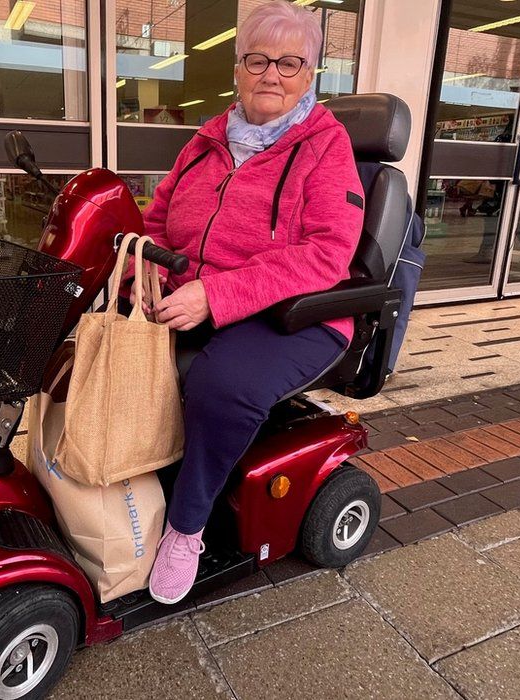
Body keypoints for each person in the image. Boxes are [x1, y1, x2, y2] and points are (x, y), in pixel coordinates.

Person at [129, 1, 364, 604]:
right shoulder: (204, 142)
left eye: (290, 63)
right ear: (236, 68)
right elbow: (155, 222)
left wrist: (218, 293)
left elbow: (326, 254)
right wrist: (141, 270)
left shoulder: (325, 147)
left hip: (298, 313)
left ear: (310, 74)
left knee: (219, 385)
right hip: (195, 296)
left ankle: (186, 530)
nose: (272, 74)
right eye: (258, 59)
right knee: (105, 350)